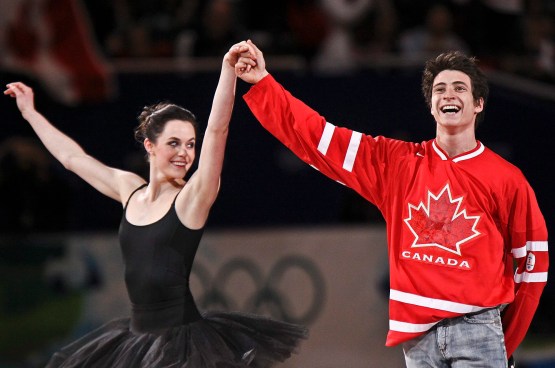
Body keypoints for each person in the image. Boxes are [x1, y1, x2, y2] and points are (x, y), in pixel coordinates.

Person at [234, 40, 548, 367]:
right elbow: (318, 138)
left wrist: (504, 341)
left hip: (479, 331)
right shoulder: (396, 163)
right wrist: (263, 83)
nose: (449, 94)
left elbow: (534, 267)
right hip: (417, 340)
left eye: (459, 88)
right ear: (431, 105)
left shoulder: (507, 179)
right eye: (440, 89)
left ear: (478, 103)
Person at [4, 41, 307, 368]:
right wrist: (30, 113)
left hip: (182, 346)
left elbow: (218, 130)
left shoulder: (193, 199)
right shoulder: (129, 190)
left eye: (190, 144)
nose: (185, 153)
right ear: (149, 145)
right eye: (174, 143)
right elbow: (71, 158)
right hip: (135, 342)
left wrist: (227, 71)